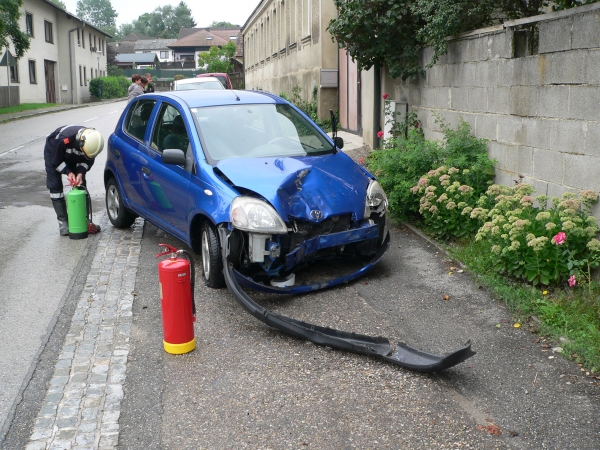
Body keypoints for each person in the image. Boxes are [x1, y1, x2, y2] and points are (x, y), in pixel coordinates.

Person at [44, 125, 104, 236]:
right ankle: (63, 223)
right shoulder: (64, 140)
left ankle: (83, 220)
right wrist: (69, 172)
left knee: (81, 185)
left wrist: (80, 173)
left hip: (71, 154)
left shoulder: (92, 144)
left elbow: (87, 161)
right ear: (80, 143)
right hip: (54, 152)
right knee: (55, 185)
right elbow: (56, 162)